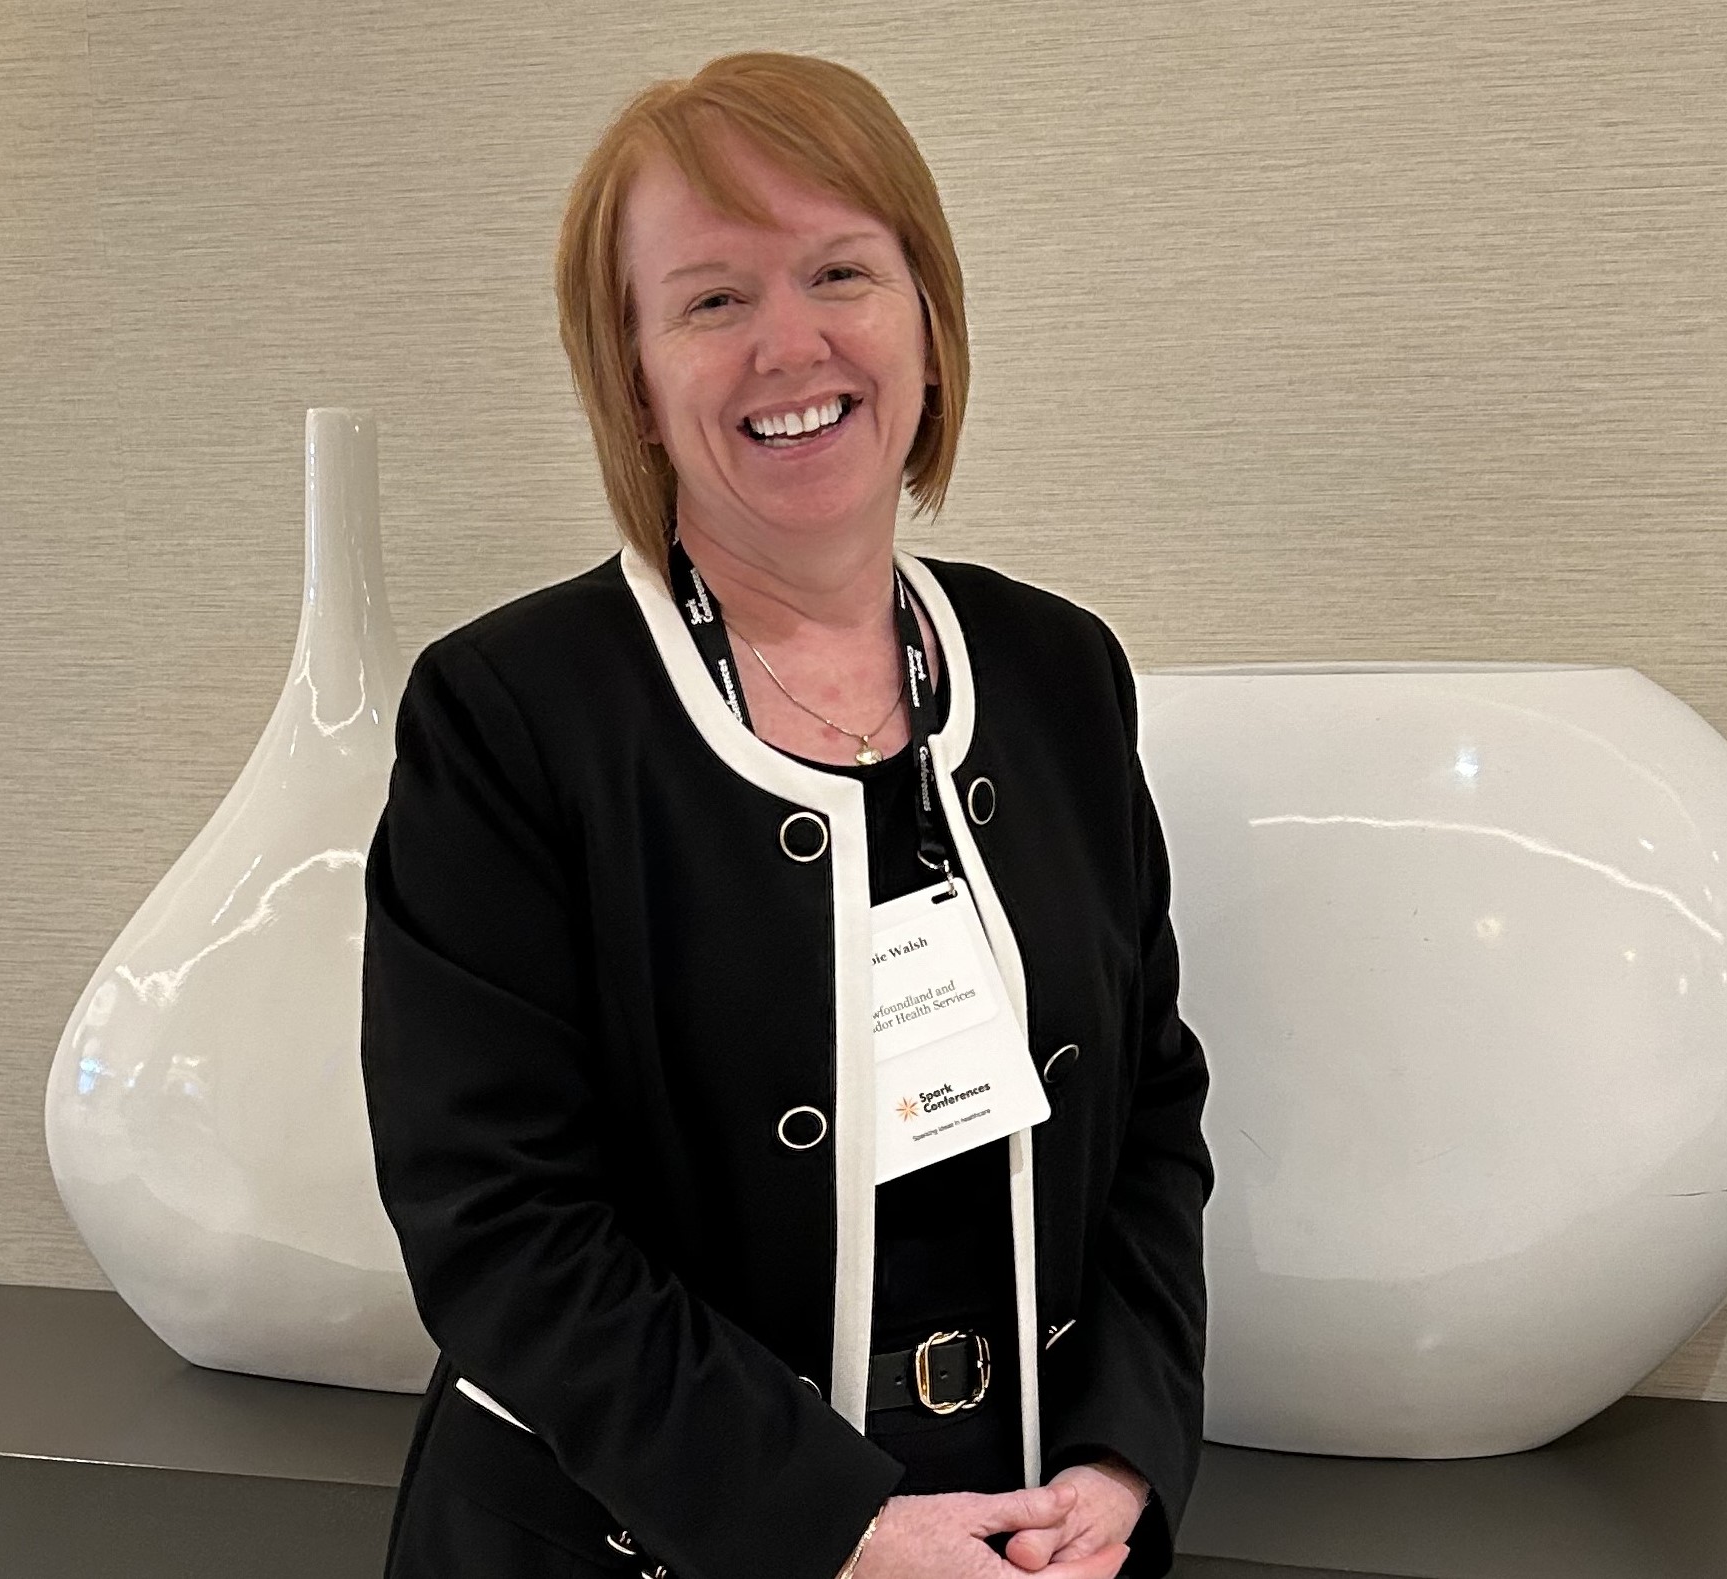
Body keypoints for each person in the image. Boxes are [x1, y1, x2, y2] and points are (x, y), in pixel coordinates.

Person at [359, 49, 1212, 1579]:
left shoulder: (1058, 673)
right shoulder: (510, 717)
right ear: (633, 375)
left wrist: (1120, 1445)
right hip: (639, 1538)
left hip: (1024, 1535)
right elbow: (499, 1222)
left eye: (841, 271)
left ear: (930, 325)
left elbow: (1151, 1104)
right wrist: (828, 1530)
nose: (791, 344)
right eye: (711, 299)